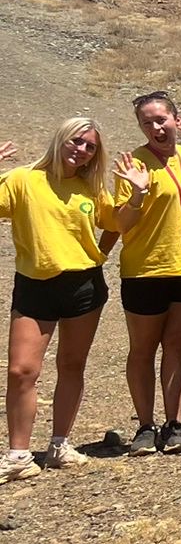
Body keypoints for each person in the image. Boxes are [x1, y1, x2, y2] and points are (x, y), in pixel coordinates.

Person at [1, 119, 121, 480]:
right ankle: (19, 456)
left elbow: (115, 223)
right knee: (21, 371)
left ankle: (59, 445)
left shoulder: (91, 188)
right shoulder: (22, 179)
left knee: (72, 365)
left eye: (89, 147)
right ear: (60, 139)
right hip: (34, 285)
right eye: (76, 141)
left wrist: (99, 255)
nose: (81, 150)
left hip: (83, 285)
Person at [115, 92, 181, 455]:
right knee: (142, 349)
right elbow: (122, 222)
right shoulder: (134, 163)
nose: (156, 127)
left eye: (161, 119)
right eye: (147, 122)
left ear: (175, 119)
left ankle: (174, 424)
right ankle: (145, 426)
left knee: (176, 344)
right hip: (145, 269)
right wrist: (137, 194)